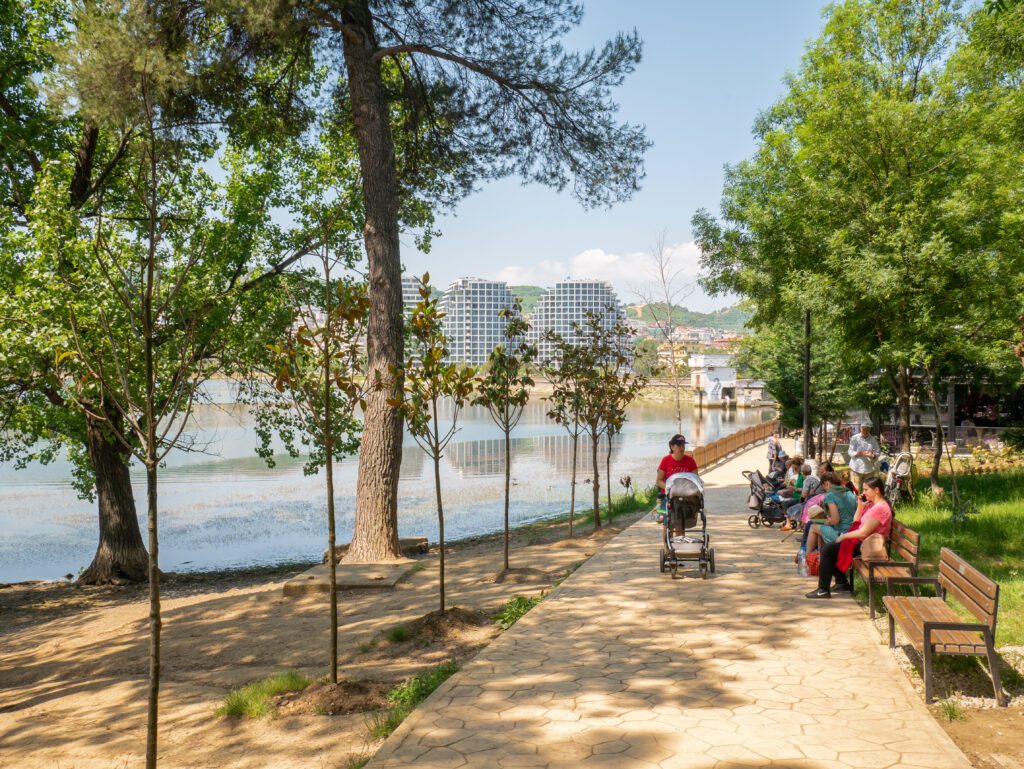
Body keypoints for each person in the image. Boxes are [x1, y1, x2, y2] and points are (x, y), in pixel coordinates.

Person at [806, 477, 892, 599]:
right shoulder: (872, 505)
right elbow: (856, 521)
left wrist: (843, 537)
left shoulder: (880, 509)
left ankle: (823, 589)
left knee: (827, 550)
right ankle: (841, 583)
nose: (863, 492)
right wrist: (860, 506)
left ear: (876, 490)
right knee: (830, 549)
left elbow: (863, 533)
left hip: (867, 546)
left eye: (866, 490)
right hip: (862, 542)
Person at [805, 472, 858, 554]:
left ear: (826, 484)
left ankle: (807, 557)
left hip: (841, 534)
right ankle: (821, 556)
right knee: (821, 530)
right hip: (852, 532)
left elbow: (835, 520)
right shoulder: (849, 493)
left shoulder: (830, 495)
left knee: (813, 527)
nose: (824, 489)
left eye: (823, 487)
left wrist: (828, 521)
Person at [657, 434, 698, 498]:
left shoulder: (690, 461)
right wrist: (669, 487)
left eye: (683, 445)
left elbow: (696, 480)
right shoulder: (665, 460)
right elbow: (659, 481)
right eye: (679, 445)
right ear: (672, 447)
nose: (682, 448)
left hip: (686, 495)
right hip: (668, 495)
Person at [847, 421, 880, 491]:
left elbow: (878, 452)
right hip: (856, 468)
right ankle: (855, 501)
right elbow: (850, 452)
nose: (866, 431)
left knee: (868, 490)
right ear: (860, 428)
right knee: (855, 489)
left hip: (869, 469)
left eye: (868, 429)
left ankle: (866, 502)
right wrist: (859, 453)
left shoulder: (873, 440)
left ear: (870, 429)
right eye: (864, 429)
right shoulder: (854, 438)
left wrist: (873, 455)